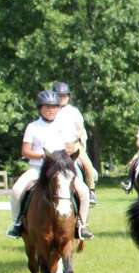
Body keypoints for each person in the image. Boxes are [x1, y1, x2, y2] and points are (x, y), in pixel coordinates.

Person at [7, 89, 94, 240]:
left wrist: (65, 153)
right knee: (16, 190)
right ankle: (17, 223)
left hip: (60, 170)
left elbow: (72, 146)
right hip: (37, 168)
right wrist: (42, 155)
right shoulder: (33, 127)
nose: (51, 110)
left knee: (84, 192)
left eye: (54, 107)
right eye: (47, 107)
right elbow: (25, 151)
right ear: (40, 108)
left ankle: (81, 225)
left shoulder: (65, 126)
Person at [53, 81, 98, 205]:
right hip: (56, 146)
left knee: (87, 165)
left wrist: (73, 142)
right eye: (60, 96)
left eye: (65, 95)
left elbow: (80, 129)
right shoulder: (51, 111)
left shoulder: (74, 111)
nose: (62, 98)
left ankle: (91, 189)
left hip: (73, 145)